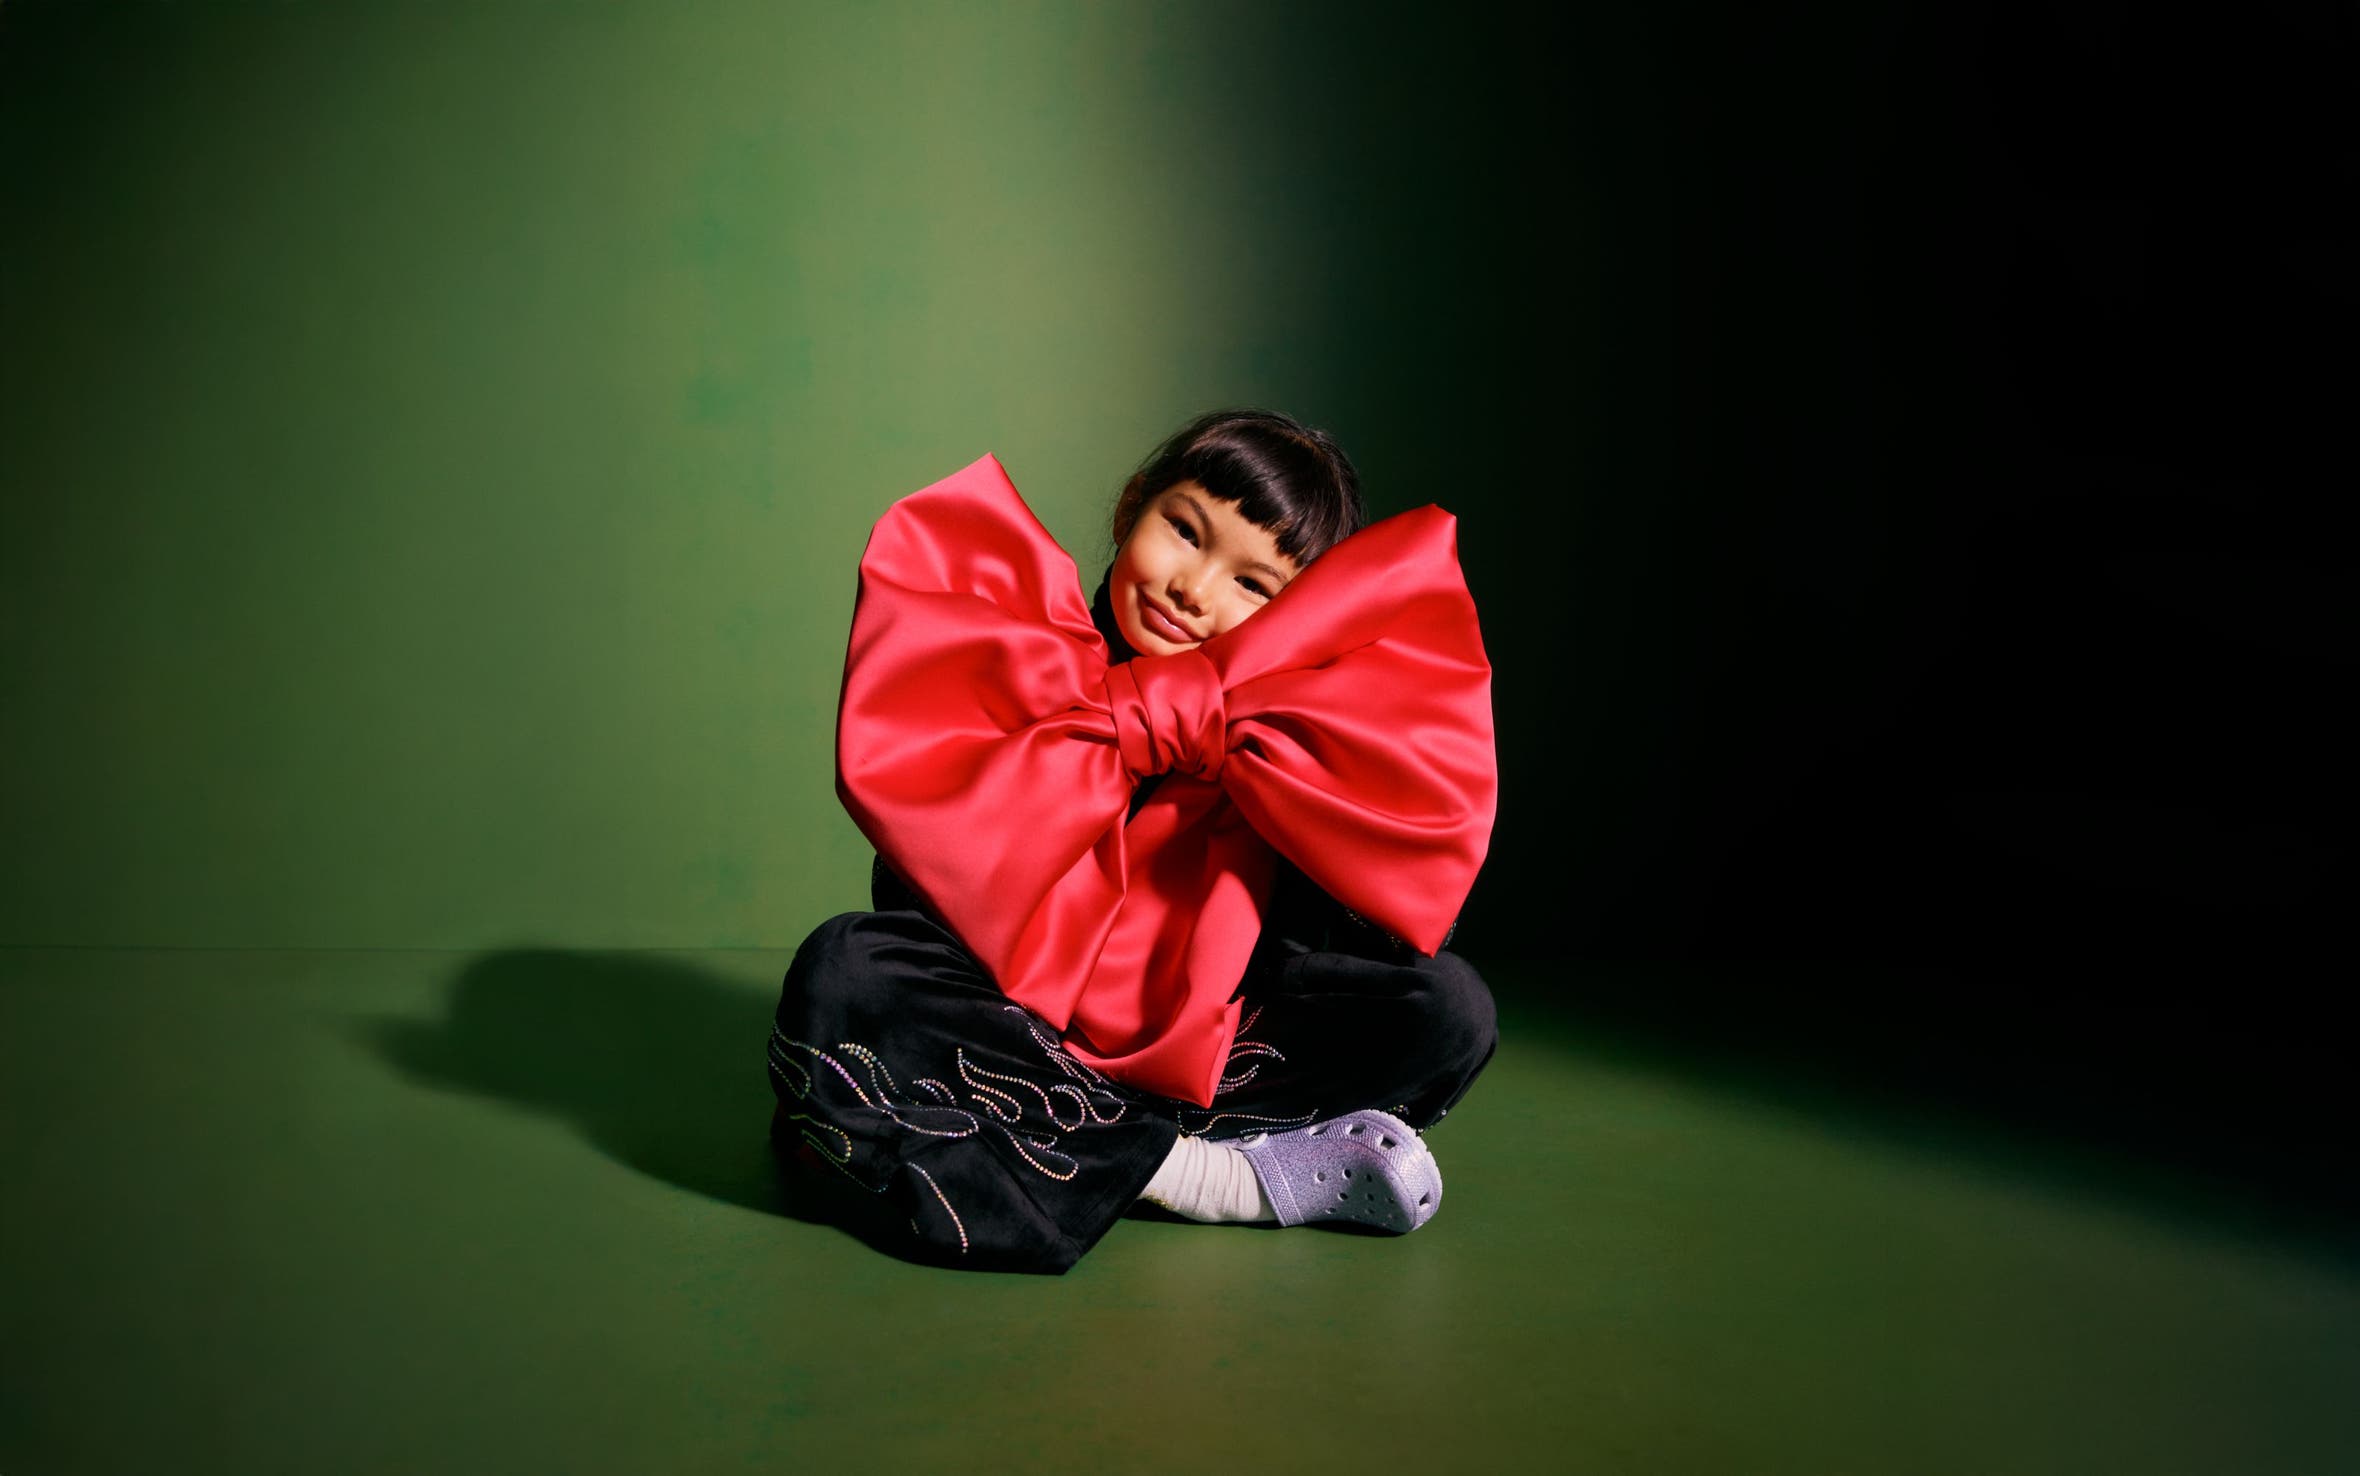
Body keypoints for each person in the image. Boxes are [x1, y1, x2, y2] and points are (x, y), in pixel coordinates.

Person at [767, 409, 1498, 1274]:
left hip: (1204, 1047)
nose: (1195, 588)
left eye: (1254, 585)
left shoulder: (1292, 738)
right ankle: (1209, 1177)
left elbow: (1359, 921)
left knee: (1447, 1009)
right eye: (1184, 531)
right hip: (1008, 1025)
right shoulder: (1019, 654)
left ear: (1305, 615)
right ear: (1129, 511)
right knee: (850, 969)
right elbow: (918, 902)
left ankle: (1073, 1144)